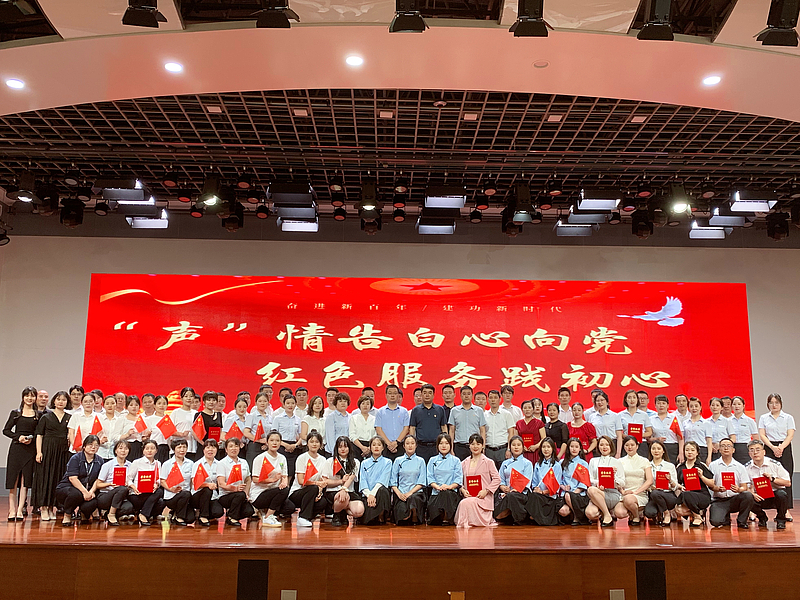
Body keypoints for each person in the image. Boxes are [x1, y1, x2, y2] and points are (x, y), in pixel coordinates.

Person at [32, 390, 71, 521]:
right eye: (58, 399)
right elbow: (39, 435)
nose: (61, 402)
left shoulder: (69, 417)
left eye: (64, 400)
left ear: (67, 402)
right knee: (45, 478)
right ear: (54, 401)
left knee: (57, 478)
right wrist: (39, 452)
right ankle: (43, 507)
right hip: (48, 450)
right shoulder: (46, 417)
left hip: (62, 452)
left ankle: (51, 508)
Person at [4, 386, 40, 521]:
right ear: (23, 397)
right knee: (13, 480)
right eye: (27, 395)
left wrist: (31, 439)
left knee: (26, 481)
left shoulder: (38, 415)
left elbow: (39, 433)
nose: (29, 398)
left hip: (30, 450)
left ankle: (20, 509)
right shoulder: (16, 413)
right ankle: (11, 510)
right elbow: (6, 430)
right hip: (16, 448)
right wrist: (18, 437)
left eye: (32, 396)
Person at [56, 434, 104, 526]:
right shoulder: (76, 458)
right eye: (90, 445)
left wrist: (91, 492)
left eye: (96, 445)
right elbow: (72, 478)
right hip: (69, 488)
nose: (93, 447)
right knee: (75, 494)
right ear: (84, 446)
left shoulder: (100, 460)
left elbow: (99, 479)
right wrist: (84, 492)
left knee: (93, 501)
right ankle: (67, 515)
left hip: (88, 489)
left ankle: (84, 513)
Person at [758, 393, 795, 515]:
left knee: (786, 476)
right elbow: (762, 435)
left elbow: (790, 435)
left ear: (781, 404)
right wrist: (773, 447)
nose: (774, 405)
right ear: (768, 404)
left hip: (784, 447)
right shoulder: (764, 418)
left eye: (776, 403)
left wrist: (781, 447)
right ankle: (763, 507)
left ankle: (786, 509)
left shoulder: (788, 417)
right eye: (771, 403)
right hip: (769, 447)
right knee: (767, 476)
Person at [455, 434, 500, 528]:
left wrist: (486, 491)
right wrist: (462, 490)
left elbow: (497, 479)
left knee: (465, 503)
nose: (475, 446)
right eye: (472, 444)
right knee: (464, 502)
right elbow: (459, 480)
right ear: (469, 446)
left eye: (478, 444)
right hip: (469, 496)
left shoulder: (488, 462)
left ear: (482, 446)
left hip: (483, 498)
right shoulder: (463, 463)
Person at [708, 438, 754, 529]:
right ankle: (725, 517)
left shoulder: (740, 466)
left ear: (733, 450)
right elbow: (711, 485)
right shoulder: (713, 465)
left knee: (747, 495)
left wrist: (739, 489)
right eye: (723, 446)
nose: (726, 448)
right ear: (719, 449)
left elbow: (744, 487)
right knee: (715, 522)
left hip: (735, 499)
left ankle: (741, 521)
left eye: (729, 446)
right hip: (719, 500)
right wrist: (717, 488)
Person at [745, 439, 791, 529]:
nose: (755, 452)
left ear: (764, 452)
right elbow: (744, 486)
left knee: (782, 494)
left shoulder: (775, 464)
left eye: (758, 450)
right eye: (752, 450)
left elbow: (788, 483)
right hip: (758, 497)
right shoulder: (746, 467)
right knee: (746, 497)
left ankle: (781, 520)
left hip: (774, 495)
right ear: (749, 454)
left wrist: (772, 479)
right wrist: (752, 493)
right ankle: (762, 517)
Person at [250, 431, 291, 528]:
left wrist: (284, 482)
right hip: (260, 493)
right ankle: (268, 517)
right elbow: (255, 479)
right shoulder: (260, 458)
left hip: (275, 492)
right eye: (272, 440)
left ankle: (266, 511)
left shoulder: (282, 458)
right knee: (283, 491)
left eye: (277, 440)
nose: (274, 443)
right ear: (267, 442)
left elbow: (284, 475)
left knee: (290, 508)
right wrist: (272, 480)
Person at [322, 436, 364, 527]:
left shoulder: (355, 462)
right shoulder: (329, 461)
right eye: (340, 447)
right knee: (343, 497)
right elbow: (325, 481)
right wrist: (341, 481)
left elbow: (351, 478)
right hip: (333, 491)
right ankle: (337, 514)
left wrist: (343, 489)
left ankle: (343, 512)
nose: (343, 449)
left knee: (359, 510)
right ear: (336, 448)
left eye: (345, 446)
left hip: (349, 491)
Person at [288, 431, 328, 527]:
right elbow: (301, 481)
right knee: (313, 488)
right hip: (298, 492)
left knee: (323, 502)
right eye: (311, 441)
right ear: (307, 443)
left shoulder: (323, 460)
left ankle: (308, 517)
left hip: (314, 491)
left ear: (320, 444)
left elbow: (323, 480)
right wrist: (316, 484)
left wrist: (319, 492)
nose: (314, 444)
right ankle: (303, 518)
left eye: (317, 442)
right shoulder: (302, 458)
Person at [586, 436, 625, 527]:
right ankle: (606, 513)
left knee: (591, 490)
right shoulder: (593, 461)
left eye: (607, 445)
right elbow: (589, 479)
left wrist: (613, 477)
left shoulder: (617, 462)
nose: (604, 447)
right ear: (598, 447)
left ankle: (607, 515)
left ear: (611, 446)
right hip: (597, 492)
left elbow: (622, 482)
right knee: (590, 513)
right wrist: (598, 483)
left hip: (612, 493)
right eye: (601, 445)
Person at [494, 435, 532, 525]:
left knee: (512, 496)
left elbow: (527, 481)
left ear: (523, 447)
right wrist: (503, 487)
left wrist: (515, 489)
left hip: (521, 494)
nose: (516, 447)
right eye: (513, 445)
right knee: (498, 514)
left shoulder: (527, 463)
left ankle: (520, 519)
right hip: (507, 493)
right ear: (510, 447)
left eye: (518, 445)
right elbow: (501, 480)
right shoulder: (505, 463)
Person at [675, 441, 714, 527]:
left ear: (697, 453)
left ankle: (697, 517)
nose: (689, 452)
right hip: (686, 494)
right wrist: (680, 486)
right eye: (687, 450)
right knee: (678, 510)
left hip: (701, 495)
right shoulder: (680, 467)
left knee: (686, 494)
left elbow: (712, 483)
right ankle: (699, 512)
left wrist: (701, 476)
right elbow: (676, 483)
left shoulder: (701, 466)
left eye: (692, 450)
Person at [216, 437, 254, 527]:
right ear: (226, 449)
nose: (234, 448)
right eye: (231, 446)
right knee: (239, 495)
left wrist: (246, 493)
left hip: (241, 495)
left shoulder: (243, 462)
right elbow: (221, 483)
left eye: (236, 446)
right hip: (226, 495)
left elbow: (248, 479)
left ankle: (232, 512)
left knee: (249, 511)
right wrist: (235, 488)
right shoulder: (222, 463)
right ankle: (232, 518)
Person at [390, 435, 427, 525]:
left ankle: (414, 515)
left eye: (412, 443)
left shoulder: (421, 461)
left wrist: (410, 493)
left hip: (416, 493)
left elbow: (421, 482)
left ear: (416, 445)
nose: (410, 446)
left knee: (413, 499)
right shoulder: (398, 460)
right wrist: (399, 494)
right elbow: (393, 482)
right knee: (401, 516)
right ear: (404, 446)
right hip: (401, 493)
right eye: (407, 443)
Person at [426, 433, 462, 525]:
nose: (444, 446)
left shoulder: (456, 460)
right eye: (441, 443)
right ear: (437, 445)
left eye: (446, 443)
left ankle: (446, 517)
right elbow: (430, 478)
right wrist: (438, 487)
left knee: (446, 494)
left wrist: (449, 487)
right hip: (436, 492)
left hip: (451, 494)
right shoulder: (432, 460)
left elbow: (458, 479)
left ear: (450, 445)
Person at [617, 435, 653, 526]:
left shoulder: (644, 461)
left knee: (629, 499)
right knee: (619, 513)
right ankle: (633, 511)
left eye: (632, 445)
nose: (630, 447)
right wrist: (622, 491)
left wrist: (636, 492)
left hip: (639, 494)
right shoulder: (619, 461)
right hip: (624, 493)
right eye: (627, 445)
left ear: (637, 446)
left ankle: (636, 516)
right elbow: (617, 480)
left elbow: (649, 480)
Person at [527, 437, 563, 526]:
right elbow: (535, 482)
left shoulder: (556, 465)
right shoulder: (537, 464)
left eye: (548, 447)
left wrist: (543, 492)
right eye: (543, 447)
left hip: (550, 496)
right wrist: (536, 489)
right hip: (538, 494)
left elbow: (556, 486)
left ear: (553, 449)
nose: (546, 449)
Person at [95, 440, 133, 525]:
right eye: (120, 448)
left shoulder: (130, 465)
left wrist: (129, 485)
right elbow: (98, 484)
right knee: (121, 489)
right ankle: (111, 514)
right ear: (115, 450)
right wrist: (110, 484)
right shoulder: (107, 465)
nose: (123, 451)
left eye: (126, 449)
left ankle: (107, 513)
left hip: (122, 496)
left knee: (129, 508)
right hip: (106, 495)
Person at [128, 439, 163, 526]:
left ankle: (143, 514)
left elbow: (159, 479)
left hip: (150, 494)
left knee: (160, 495)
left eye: (152, 448)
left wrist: (156, 484)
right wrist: (133, 487)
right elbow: (128, 479)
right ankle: (145, 513)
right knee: (156, 500)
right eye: (147, 448)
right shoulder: (137, 462)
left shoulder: (158, 463)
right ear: (143, 450)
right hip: (138, 494)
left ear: (156, 450)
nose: (149, 451)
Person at [409, 383, 447, 463]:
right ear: (421, 394)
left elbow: (444, 427)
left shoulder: (440, 409)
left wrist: (445, 443)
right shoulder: (416, 410)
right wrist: (412, 444)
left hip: (436, 447)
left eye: (430, 393)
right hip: (421, 447)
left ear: (433, 395)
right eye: (425, 393)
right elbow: (412, 428)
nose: (427, 395)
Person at [644, 440, 679, 526]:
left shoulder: (670, 466)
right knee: (649, 513)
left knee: (656, 493)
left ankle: (666, 513)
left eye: (659, 449)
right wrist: (650, 487)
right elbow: (644, 483)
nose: (656, 451)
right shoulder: (647, 465)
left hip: (668, 495)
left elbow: (675, 486)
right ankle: (662, 512)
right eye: (653, 449)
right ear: (650, 451)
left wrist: (670, 481)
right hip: (654, 496)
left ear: (663, 451)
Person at [359, 436, 393, 525]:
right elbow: (363, 481)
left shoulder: (388, 462)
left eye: (379, 445)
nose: (376, 447)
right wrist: (369, 495)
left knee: (383, 491)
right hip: (368, 495)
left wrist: (373, 494)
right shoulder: (364, 463)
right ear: (370, 447)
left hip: (379, 493)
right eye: (374, 445)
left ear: (383, 448)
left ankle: (381, 515)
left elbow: (383, 480)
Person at [161, 438, 194, 525]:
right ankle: (179, 518)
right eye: (179, 447)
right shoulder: (167, 464)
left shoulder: (191, 463)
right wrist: (171, 489)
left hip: (186, 496)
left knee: (191, 519)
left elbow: (192, 481)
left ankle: (175, 513)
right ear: (173, 449)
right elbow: (162, 481)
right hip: (171, 496)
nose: (182, 450)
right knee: (185, 494)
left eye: (184, 447)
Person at [191, 439, 224, 526]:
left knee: (218, 512)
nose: (210, 450)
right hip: (198, 495)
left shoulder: (219, 464)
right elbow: (194, 482)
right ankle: (203, 516)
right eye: (208, 447)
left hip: (213, 496)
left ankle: (203, 511)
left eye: (213, 447)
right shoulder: (197, 464)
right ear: (203, 450)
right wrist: (208, 485)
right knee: (207, 490)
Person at [448, 388, 487, 461]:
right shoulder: (454, 410)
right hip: (459, 447)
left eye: (468, 394)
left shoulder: (479, 410)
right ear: (460, 395)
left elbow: (482, 430)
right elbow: (452, 431)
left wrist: (483, 447)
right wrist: (451, 448)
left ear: (472, 395)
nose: (466, 396)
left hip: (475, 446)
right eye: (464, 394)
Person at [559, 438, 591, 525]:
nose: (574, 449)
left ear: (580, 449)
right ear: (568, 448)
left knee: (568, 495)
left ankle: (577, 517)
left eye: (576, 447)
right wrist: (563, 487)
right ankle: (577, 514)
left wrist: (575, 492)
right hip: (565, 493)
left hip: (578, 494)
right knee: (563, 511)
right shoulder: (562, 462)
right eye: (572, 446)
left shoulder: (583, 463)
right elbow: (559, 479)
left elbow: (584, 482)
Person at [376, 385, 410, 461]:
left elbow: (406, 428)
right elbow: (378, 429)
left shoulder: (404, 411)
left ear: (398, 395)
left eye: (395, 393)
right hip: (385, 446)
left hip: (400, 445)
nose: (392, 395)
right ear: (386, 395)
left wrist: (396, 442)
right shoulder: (380, 412)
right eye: (390, 393)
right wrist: (389, 444)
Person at [272, 394, 302, 480]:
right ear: (284, 404)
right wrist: (285, 445)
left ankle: (288, 486)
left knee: (291, 472)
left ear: (295, 404)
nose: (290, 405)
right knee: (280, 470)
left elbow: (301, 436)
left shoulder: (298, 419)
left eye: (292, 403)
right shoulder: (277, 418)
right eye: (288, 403)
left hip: (293, 447)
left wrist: (295, 445)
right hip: (281, 446)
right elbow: (273, 435)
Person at [484, 389, 516, 468]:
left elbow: (511, 433)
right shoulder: (484, 415)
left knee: (504, 472)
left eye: (495, 398)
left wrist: (509, 449)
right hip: (488, 450)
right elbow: (483, 433)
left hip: (502, 449)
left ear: (500, 399)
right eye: (491, 398)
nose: (493, 400)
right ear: (488, 400)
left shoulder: (506, 414)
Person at [649, 395, 684, 465]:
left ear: (667, 405)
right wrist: (656, 439)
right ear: (655, 406)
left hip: (672, 448)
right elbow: (648, 438)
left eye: (663, 403)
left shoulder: (674, 418)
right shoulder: (651, 419)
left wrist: (681, 453)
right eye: (658, 403)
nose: (661, 405)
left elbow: (680, 438)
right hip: (656, 448)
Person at [618, 389, 653, 458]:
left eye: (634, 397)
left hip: (641, 444)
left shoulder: (644, 415)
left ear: (637, 400)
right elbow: (618, 433)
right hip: (627, 444)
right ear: (626, 400)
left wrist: (638, 435)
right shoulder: (620, 415)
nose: (632, 400)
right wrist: (627, 436)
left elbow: (649, 432)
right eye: (629, 397)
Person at [588, 392, 623, 459]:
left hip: (611, 444)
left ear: (607, 402)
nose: (600, 402)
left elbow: (619, 436)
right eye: (597, 401)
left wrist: (618, 453)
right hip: (597, 445)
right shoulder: (592, 417)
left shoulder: (615, 416)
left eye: (602, 400)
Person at [114, 396, 149, 461]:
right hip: (126, 447)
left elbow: (142, 437)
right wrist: (127, 435)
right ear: (126, 407)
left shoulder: (142, 419)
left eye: (136, 405)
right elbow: (115, 437)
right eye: (131, 405)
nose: (134, 407)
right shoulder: (122, 419)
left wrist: (146, 437)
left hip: (139, 447)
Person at [244, 392, 273, 468]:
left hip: (267, 446)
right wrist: (259, 440)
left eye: (265, 401)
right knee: (253, 469)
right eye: (260, 401)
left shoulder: (270, 417)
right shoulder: (252, 416)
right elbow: (246, 433)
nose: (262, 403)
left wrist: (267, 443)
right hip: (254, 446)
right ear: (256, 403)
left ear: (268, 403)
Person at [170, 387, 199, 461]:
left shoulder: (196, 413)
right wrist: (181, 434)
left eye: (191, 396)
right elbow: (168, 430)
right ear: (181, 398)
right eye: (186, 396)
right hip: (178, 448)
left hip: (193, 448)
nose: (188, 398)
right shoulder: (175, 412)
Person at [683, 397, 713, 465]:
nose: (694, 408)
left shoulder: (706, 423)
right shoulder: (685, 423)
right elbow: (683, 438)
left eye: (696, 406)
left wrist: (709, 456)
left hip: (701, 450)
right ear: (688, 408)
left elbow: (709, 441)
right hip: (688, 450)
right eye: (691, 406)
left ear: (700, 407)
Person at [515, 400, 546, 464]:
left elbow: (544, 438)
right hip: (522, 452)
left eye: (529, 407)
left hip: (536, 452)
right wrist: (521, 447)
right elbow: (516, 439)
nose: (527, 410)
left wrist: (536, 446)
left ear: (533, 409)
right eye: (525, 408)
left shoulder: (539, 423)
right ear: (522, 410)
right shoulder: (518, 423)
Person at [730, 396, 758, 465]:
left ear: (743, 406)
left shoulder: (749, 420)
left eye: (739, 404)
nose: (737, 406)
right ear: (731, 406)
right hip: (731, 448)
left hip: (745, 448)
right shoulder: (728, 421)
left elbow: (755, 437)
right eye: (734, 404)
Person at [707, 397, 736, 462]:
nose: (715, 407)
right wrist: (710, 445)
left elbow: (733, 438)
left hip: (723, 450)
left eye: (717, 405)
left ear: (722, 408)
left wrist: (722, 445)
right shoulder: (706, 422)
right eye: (713, 405)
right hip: (709, 450)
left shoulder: (727, 421)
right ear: (710, 407)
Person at [147, 395, 172, 464]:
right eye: (159, 403)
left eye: (164, 403)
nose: (162, 406)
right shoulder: (149, 419)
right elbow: (145, 436)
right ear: (154, 405)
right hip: (154, 448)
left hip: (166, 448)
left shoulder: (169, 419)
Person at [97, 395, 119, 460]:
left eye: (112, 403)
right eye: (107, 404)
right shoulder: (99, 419)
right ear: (103, 405)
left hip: (114, 454)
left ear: (116, 405)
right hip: (100, 453)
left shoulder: (119, 420)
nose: (110, 406)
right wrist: (100, 441)